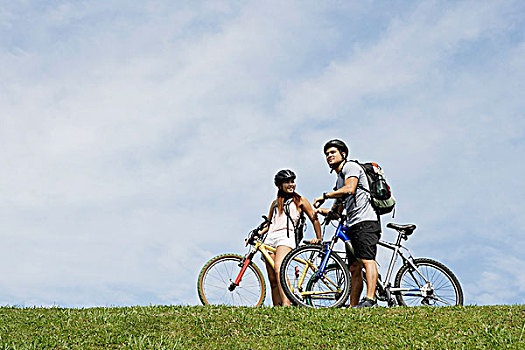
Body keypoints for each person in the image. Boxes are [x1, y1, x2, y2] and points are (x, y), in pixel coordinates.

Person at [313, 139, 381, 308]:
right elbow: (337, 212)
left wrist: (325, 196)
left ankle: (370, 299)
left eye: (332, 152)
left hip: (365, 221)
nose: (329, 156)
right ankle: (353, 307)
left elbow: (350, 188)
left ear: (343, 154)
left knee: (367, 260)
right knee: (354, 268)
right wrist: (321, 212)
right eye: (326, 154)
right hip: (351, 224)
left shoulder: (351, 167)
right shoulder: (338, 180)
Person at [261, 169, 322, 306]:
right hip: (270, 237)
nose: (291, 184)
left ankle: (287, 305)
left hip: (286, 237)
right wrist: (257, 234)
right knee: (272, 278)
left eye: (292, 181)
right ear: (279, 185)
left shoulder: (300, 201)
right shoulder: (275, 203)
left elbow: (314, 218)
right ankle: (277, 309)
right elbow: (269, 224)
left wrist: (318, 238)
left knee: (279, 269)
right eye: (287, 182)